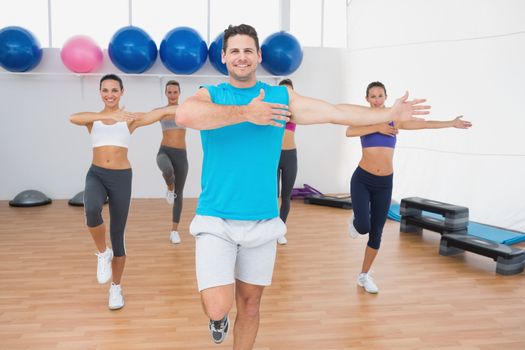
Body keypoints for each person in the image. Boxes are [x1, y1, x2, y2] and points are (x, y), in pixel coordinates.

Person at [175, 24, 430, 349]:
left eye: (248, 50)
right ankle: (218, 318)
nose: (242, 57)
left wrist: (389, 112)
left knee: (251, 305)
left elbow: (335, 112)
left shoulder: (280, 97)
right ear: (224, 57)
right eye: (235, 51)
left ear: (259, 56)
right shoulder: (211, 95)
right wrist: (246, 113)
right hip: (215, 218)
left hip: (263, 220)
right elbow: (184, 115)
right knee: (218, 305)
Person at [346, 81, 472, 294]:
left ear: (386, 97)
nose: (377, 99)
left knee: (376, 233)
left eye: (380, 95)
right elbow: (349, 131)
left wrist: (451, 123)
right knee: (363, 227)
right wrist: (377, 127)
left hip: (384, 183)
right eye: (373, 96)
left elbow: (425, 124)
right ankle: (357, 221)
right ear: (366, 99)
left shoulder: (395, 121)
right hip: (362, 179)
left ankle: (364, 275)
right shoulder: (364, 117)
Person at [69, 74, 176, 310]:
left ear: (122, 92)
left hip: (121, 178)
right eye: (105, 90)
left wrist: (176, 108)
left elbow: (155, 114)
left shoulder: (128, 119)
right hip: (96, 173)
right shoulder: (93, 119)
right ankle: (101, 253)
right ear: (100, 93)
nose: (110, 94)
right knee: (92, 210)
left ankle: (115, 287)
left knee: (118, 236)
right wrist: (107, 115)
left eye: (114, 90)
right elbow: (73, 117)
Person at [156, 80, 188, 244]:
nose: (172, 95)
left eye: (175, 92)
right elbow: (145, 117)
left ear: (179, 93)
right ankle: (169, 188)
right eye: (169, 92)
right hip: (164, 151)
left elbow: (204, 116)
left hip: (181, 155)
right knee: (167, 170)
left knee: (179, 195)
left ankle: (174, 231)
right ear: (166, 93)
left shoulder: (185, 110)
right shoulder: (161, 112)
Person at [276, 78, 297, 245]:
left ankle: (281, 230)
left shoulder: (297, 110)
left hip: (290, 156)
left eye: (289, 90)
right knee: (271, 195)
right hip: (273, 155)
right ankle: (270, 228)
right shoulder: (273, 109)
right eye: (283, 90)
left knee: (286, 196)